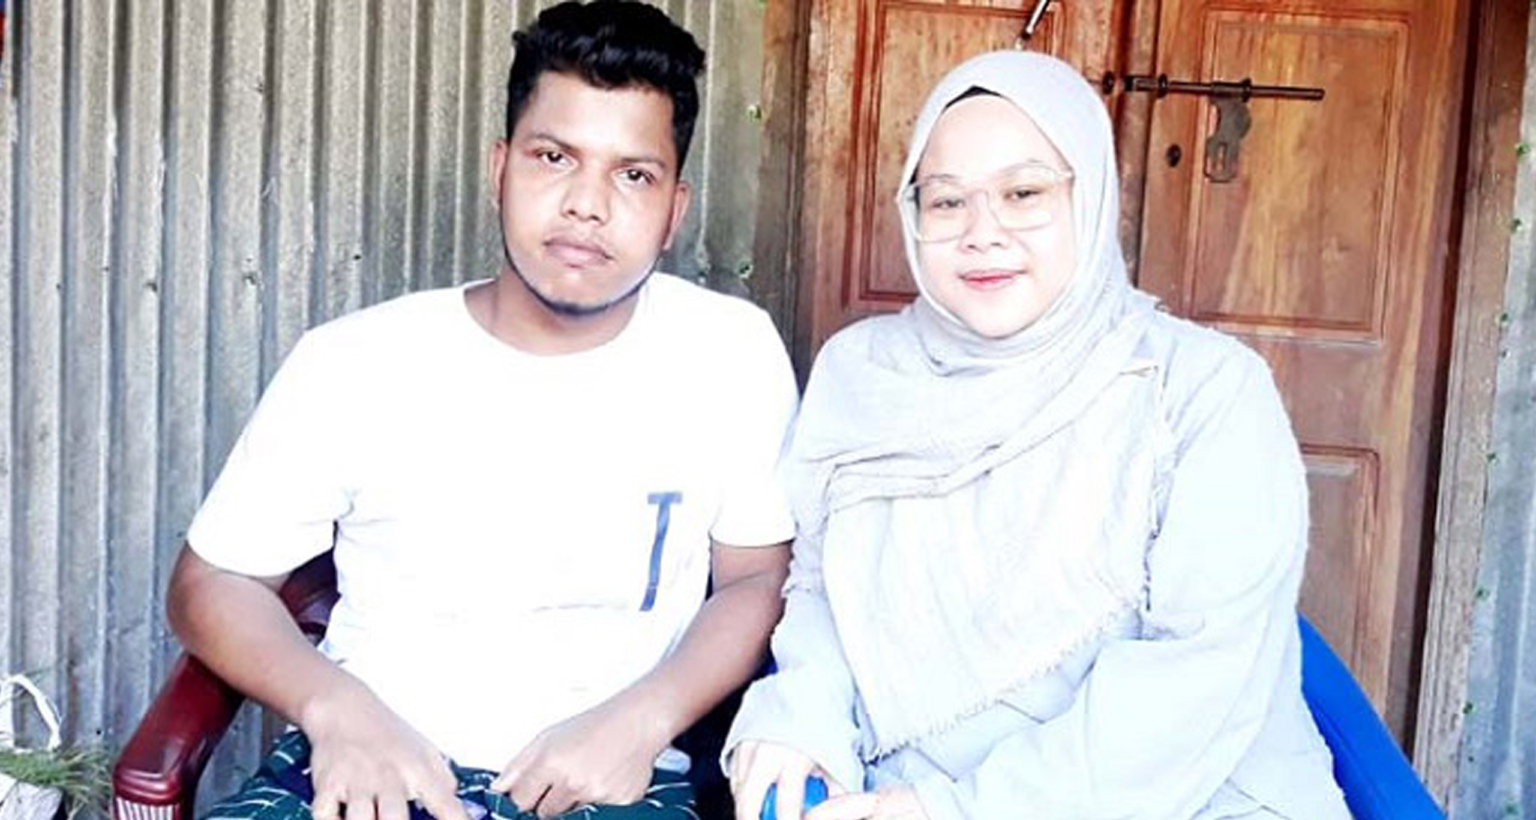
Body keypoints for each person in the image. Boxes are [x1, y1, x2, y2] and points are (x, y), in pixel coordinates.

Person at [166, 3, 798, 820]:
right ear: (499, 169)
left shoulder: (728, 353)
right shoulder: (356, 362)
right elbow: (211, 581)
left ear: (676, 209)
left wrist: (644, 720)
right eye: (553, 157)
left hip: (611, 785)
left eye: (633, 175)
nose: (586, 204)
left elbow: (756, 579)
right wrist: (336, 710)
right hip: (370, 771)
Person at [723, 51, 1351, 820]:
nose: (982, 234)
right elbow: (824, 590)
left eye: (1023, 194)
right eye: (946, 201)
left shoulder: (1202, 389)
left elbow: (1200, 676)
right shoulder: (863, 373)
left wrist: (952, 812)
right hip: (898, 788)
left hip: (1186, 797)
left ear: (1090, 199)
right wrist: (798, 717)